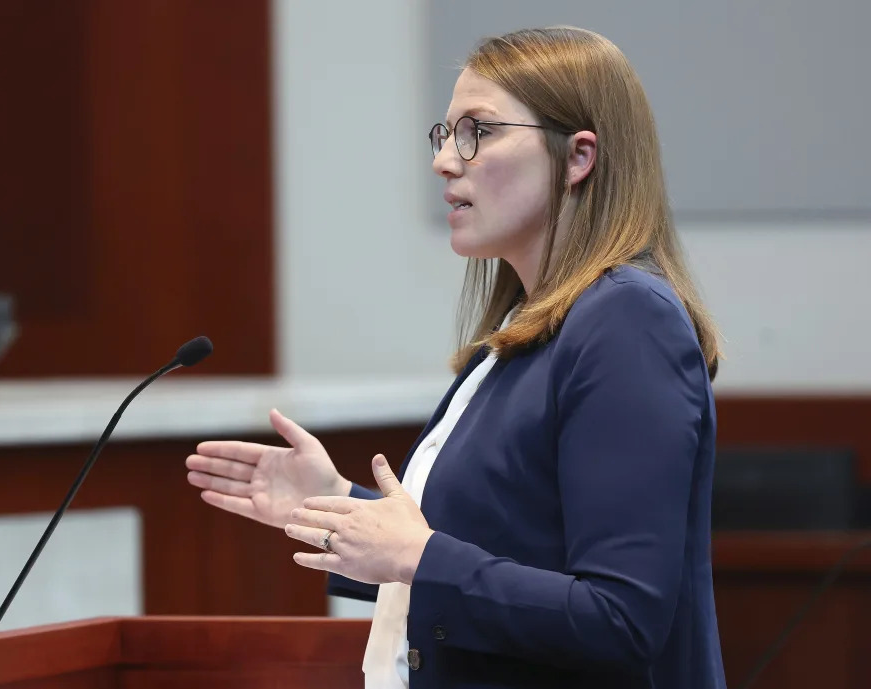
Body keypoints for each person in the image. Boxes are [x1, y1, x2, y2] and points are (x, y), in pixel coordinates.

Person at [186, 25, 726, 689]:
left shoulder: (627, 321)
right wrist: (332, 504)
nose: (446, 161)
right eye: (444, 135)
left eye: (479, 131)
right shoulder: (522, 331)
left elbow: (619, 620)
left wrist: (421, 558)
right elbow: (503, 548)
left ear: (578, 155)